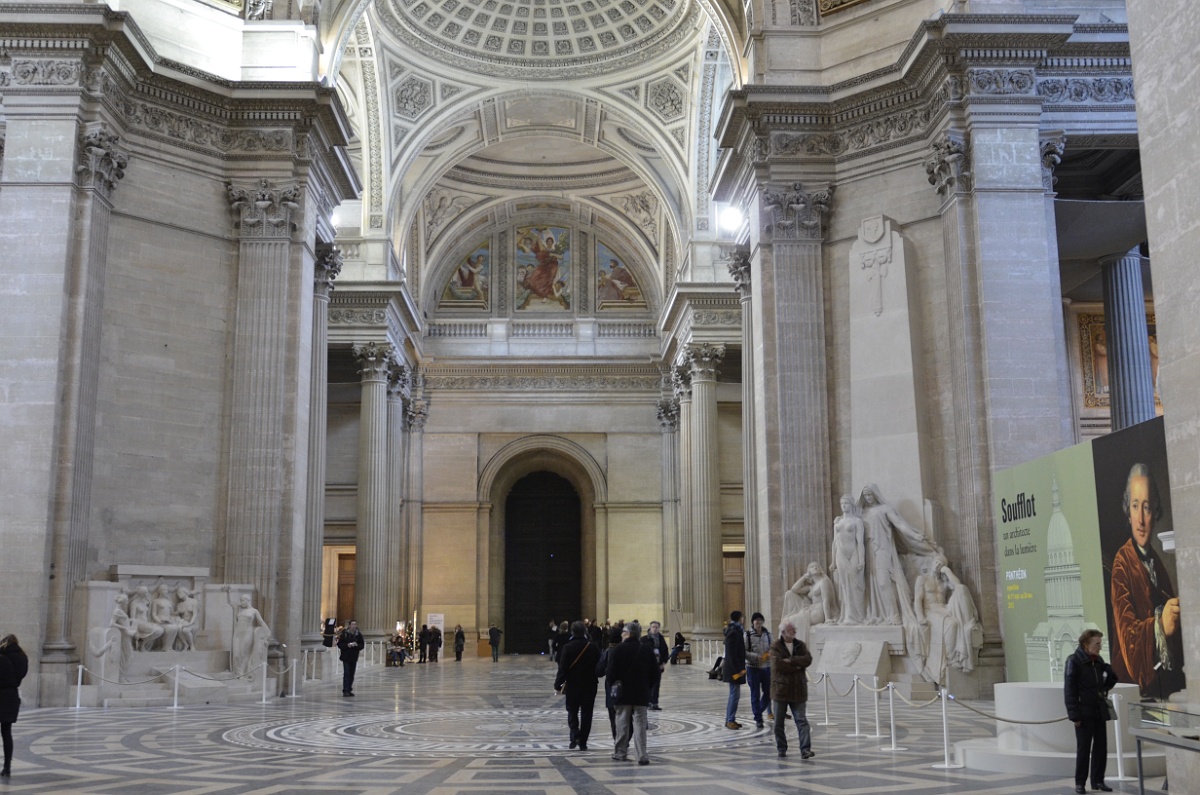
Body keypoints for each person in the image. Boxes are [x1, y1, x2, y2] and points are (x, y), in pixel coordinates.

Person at [1109, 463, 1184, 699]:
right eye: (1135, 506)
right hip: (1135, 689)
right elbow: (1128, 635)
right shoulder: (1122, 562)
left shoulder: (1156, 562)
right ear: (1127, 512)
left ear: (1155, 513)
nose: (1141, 519)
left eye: (1147, 508)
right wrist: (1160, 624)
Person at [1064, 629, 1118, 794]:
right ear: (1086, 644)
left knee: (1101, 747)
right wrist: (1074, 715)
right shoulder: (1074, 661)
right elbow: (1069, 690)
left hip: (1098, 711)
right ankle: (1080, 783)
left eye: (1100, 643)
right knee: (1084, 749)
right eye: (1097, 643)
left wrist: (1110, 675)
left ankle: (1098, 781)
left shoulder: (1098, 661)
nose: (1099, 647)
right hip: (1083, 712)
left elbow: (1103, 685)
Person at [606, 622, 659, 765]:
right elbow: (655, 673)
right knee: (640, 725)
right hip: (641, 694)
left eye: (623, 631)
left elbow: (610, 674)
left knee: (622, 723)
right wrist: (647, 686)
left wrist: (615, 686)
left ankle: (620, 753)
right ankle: (641, 754)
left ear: (629, 633)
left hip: (623, 695)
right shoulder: (646, 650)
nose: (621, 633)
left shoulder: (618, 650)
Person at [769, 619, 814, 759]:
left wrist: (791, 661)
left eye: (794, 630)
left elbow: (808, 659)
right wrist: (797, 665)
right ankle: (781, 748)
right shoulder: (775, 646)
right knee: (778, 723)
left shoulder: (800, 645)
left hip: (798, 688)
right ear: (783, 632)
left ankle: (805, 749)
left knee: (802, 720)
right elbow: (778, 666)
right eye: (790, 630)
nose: (793, 632)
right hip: (781, 689)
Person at [554, 621, 600, 751]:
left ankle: (575, 734)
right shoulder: (592, 647)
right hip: (590, 685)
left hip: (573, 684)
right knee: (587, 713)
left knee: (572, 711)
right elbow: (599, 665)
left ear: (572, 632)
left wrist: (558, 684)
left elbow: (562, 668)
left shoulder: (568, 647)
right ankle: (583, 742)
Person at [829, 494, 867, 624]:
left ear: (851, 505)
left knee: (856, 584)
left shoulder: (857, 521)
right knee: (844, 585)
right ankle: (848, 615)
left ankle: (859, 615)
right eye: (842, 504)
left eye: (846, 503)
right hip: (840, 554)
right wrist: (833, 561)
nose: (844, 506)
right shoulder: (837, 522)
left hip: (854, 553)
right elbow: (834, 542)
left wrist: (862, 560)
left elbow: (860, 542)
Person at [224, 586, 271, 677]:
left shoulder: (254, 611)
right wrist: (228, 592)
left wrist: (267, 632)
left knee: (244, 654)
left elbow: (261, 622)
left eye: (243, 600)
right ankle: (237, 672)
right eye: (241, 600)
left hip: (248, 634)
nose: (241, 602)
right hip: (237, 634)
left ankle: (241, 674)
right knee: (236, 655)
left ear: (248, 600)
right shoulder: (238, 609)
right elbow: (230, 602)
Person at [0, 635, 29, 778]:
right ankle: (7, 766)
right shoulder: (22, 658)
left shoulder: (2, 658)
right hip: (12, 696)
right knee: (6, 733)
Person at [745, 612, 773, 729]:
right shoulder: (747, 635)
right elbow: (744, 652)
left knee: (769, 692)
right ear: (753, 622)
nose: (758, 622)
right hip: (753, 668)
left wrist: (770, 653)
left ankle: (759, 710)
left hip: (766, 667)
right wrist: (756, 657)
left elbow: (773, 647)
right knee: (755, 694)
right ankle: (758, 718)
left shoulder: (768, 634)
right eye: (756, 620)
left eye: (760, 620)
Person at [723, 611, 747, 729]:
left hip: (735, 668)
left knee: (734, 694)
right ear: (740, 618)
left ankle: (729, 719)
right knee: (734, 695)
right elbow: (731, 654)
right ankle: (730, 720)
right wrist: (738, 670)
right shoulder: (734, 632)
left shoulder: (735, 630)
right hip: (734, 670)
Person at [642, 621, 669, 710]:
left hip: (658, 665)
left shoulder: (661, 639)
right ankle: (648, 702)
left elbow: (665, 652)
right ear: (650, 628)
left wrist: (663, 663)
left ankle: (655, 703)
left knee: (656, 685)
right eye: (653, 627)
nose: (654, 628)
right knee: (648, 684)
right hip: (647, 665)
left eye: (656, 627)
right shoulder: (644, 639)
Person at [338, 620, 365, 696]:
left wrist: (356, 645)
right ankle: (345, 690)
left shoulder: (358, 634)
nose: (354, 626)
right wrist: (347, 645)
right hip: (346, 656)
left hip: (354, 656)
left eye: (355, 624)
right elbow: (339, 644)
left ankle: (349, 689)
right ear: (349, 625)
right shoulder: (344, 634)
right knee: (346, 673)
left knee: (351, 674)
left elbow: (362, 645)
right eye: (352, 624)